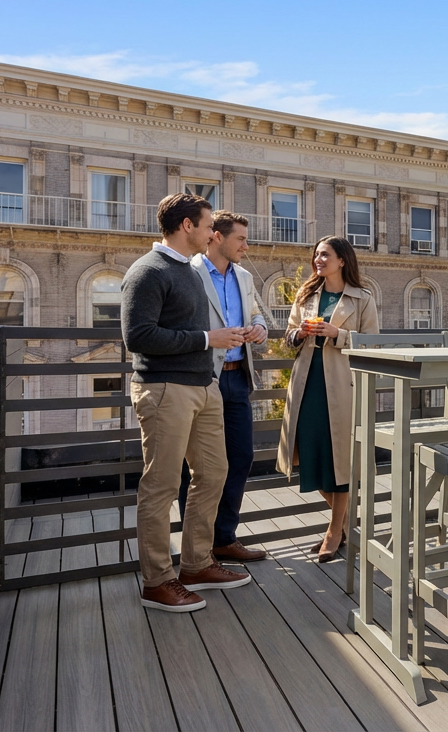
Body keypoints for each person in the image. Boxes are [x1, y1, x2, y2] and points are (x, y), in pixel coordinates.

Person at [122, 193, 252, 612]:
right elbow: (137, 337)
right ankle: (157, 581)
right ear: (186, 226)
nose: (213, 231)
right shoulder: (147, 271)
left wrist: (217, 345)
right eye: (208, 223)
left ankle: (196, 564)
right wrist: (206, 340)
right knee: (160, 486)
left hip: (204, 388)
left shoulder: (189, 273)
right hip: (164, 390)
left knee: (214, 472)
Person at [276, 236, 379, 562]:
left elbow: (373, 345)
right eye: (316, 254)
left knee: (341, 460)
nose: (318, 260)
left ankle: (334, 531)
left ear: (342, 260)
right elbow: (286, 341)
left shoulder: (363, 299)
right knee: (308, 454)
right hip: (306, 385)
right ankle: (345, 521)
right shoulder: (306, 295)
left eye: (325, 255)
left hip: (342, 388)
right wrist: (300, 333)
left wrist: (338, 335)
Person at [177, 210, 269, 563]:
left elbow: (256, 313)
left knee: (241, 458)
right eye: (241, 239)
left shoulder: (244, 276)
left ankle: (224, 538)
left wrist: (259, 327)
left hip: (238, 377)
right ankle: (197, 548)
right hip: (204, 379)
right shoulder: (191, 272)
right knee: (198, 468)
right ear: (216, 236)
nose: (246, 246)